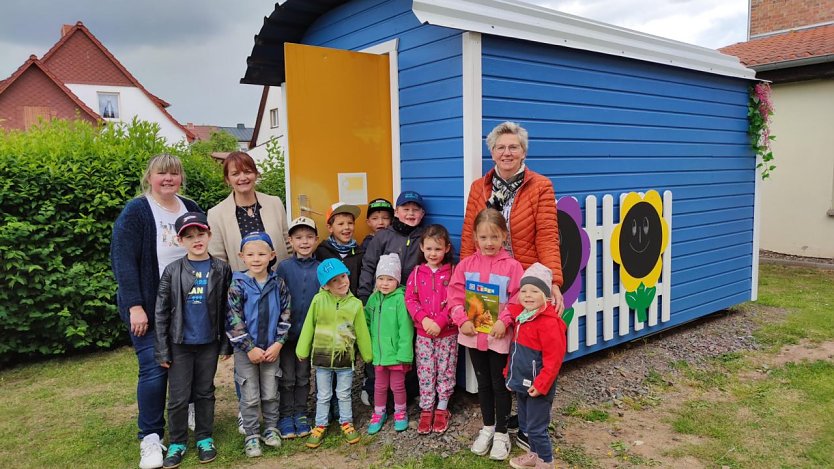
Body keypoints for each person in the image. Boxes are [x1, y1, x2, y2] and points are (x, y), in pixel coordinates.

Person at [111, 153, 201, 469]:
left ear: (180, 179)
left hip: (191, 305)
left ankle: (189, 407)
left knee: (189, 364)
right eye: (162, 173)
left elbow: (203, 251)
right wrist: (135, 306)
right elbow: (123, 262)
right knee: (153, 370)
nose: (168, 179)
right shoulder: (137, 211)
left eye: (174, 174)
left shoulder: (191, 208)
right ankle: (150, 437)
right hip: (149, 309)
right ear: (150, 177)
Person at [154, 212, 232, 468]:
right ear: (180, 241)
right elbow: (162, 311)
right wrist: (163, 349)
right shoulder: (172, 271)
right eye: (189, 236)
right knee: (178, 396)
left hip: (208, 342)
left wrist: (225, 343)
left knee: (205, 391)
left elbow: (227, 309)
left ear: (209, 235)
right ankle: (177, 441)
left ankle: (204, 437)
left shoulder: (221, 268)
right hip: (180, 344)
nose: (196, 240)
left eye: (200, 234)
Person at [459, 121, 564, 312]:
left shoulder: (541, 186)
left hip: (525, 281)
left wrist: (554, 280)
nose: (507, 153)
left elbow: (547, 237)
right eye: (500, 147)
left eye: (513, 147)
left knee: (522, 337)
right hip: (486, 280)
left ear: (523, 152)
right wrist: (464, 278)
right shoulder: (479, 187)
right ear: (492, 153)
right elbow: (469, 235)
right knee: (489, 336)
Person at [448, 208, 523, 461]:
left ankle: (502, 434)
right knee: (483, 383)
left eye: (494, 237)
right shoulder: (466, 265)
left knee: (499, 385)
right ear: (475, 238)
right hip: (472, 335)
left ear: (504, 236)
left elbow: (517, 298)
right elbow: (454, 295)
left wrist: (505, 320)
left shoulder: (513, 267)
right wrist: (460, 319)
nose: (488, 243)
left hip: (498, 337)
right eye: (483, 237)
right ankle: (488, 427)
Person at [358, 191, 430, 406]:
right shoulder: (383, 237)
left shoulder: (424, 236)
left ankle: (406, 391)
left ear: (422, 213)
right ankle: (374, 389)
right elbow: (368, 265)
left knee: (405, 343)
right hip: (381, 301)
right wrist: (364, 296)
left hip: (409, 302)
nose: (410, 213)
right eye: (405, 209)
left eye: (415, 210)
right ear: (396, 212)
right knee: (380, 341)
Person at [225, 232, 292, 458]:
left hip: (272, 348)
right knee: (250, 394)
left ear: (272, 255)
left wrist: (279, 344)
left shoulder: (278, 283)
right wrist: (248, 347)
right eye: (251, 254)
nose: (256, 258)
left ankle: (271, 429)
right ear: (241, 256)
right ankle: (252, 434)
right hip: (247, 352)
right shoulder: (238, 284)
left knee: (271, 391)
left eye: (262, 254)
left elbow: (286, 314)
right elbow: (233, 318)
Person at [296, 258, 373, 449]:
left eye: (343, 276)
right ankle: (320, 424)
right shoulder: (318, 300)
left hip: (345, 359)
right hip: (322, 358)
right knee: (323, 394)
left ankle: (346, 422)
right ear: (326, 285)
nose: (342, 282)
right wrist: (302, 348)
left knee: (344, 393)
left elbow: (361, 330)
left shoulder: (355, 304)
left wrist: (367, 354)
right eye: (335, 280)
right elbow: (309, 325)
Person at [501, 263, 567, 469]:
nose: (528, 295)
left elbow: (554, 360)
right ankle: (533, 455)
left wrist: (542, 384)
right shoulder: (524, 316)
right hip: (522, 382)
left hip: (539, 386)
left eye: (535, 291)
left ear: (547, 296)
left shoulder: (549, 323)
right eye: (524, 290)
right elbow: (516, 351)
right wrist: (509, 375)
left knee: (537, 428)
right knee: (526, 424)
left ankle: (546, 462)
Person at [405, 224, 458, 435]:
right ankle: (426, 409)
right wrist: (423, 319)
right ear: (422, 248)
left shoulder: (453, 272)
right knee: (426, 371)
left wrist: (441, 322)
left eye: (437, 249)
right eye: (429, 249)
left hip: (447, 333)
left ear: (446, 248)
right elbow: (410, 298)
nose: (433, 253)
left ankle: (442, 408)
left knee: (446, 370)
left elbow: (457, 300)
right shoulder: (417, 273)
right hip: (424, 334)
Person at [207, 151, 291, 272]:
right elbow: (218, 260)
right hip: (241, 288)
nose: (243, 178)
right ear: (227, 180)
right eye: (235, 174)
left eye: (247, 172)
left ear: (256, 174)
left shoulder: (275, 203)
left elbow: (288, 246)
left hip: (279, 283)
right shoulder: (216, 214)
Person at [274, 216, 320, 439]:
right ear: (290, 241)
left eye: (309, 237)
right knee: (287, 377)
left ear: (316, 240)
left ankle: (301, 414)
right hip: (286, 335)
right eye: (299, 237)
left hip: (308, 335)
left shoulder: (321, 269)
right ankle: (285, 416)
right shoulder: (283, 267)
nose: (304, 242)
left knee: (303, 376)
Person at [365, 254, 414, 434]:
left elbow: (406, 329)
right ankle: (379, 412)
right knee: (379, 385)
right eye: (381, 279)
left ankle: (400, 412)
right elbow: (367, 322)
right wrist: (368, 348)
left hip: (395, 355)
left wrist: (404, 355)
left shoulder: (400, 300)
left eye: (390, 279)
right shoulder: (373, 299)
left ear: (397, 280)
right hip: (379, 354)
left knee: (398, 386)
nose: (385, 283)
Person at [314, 202, 364, 295]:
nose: (347, 227)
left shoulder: (360, 253)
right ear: (330, 228)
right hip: (330, 306)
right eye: (341, 224)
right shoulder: (321, 252)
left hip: (353, 305)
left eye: (350, 223)